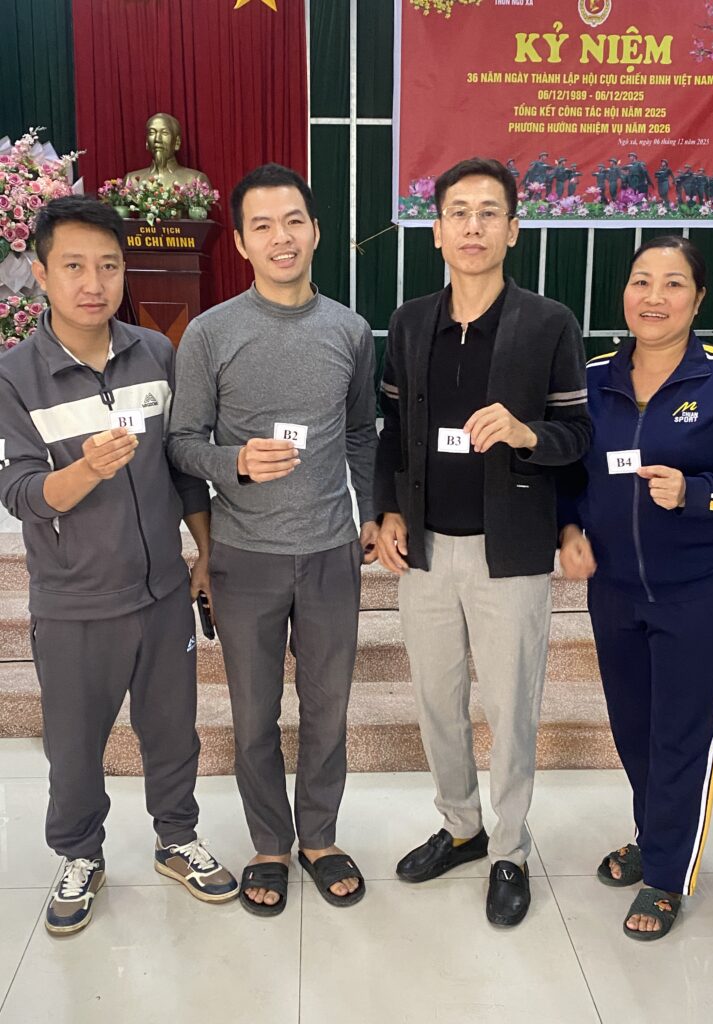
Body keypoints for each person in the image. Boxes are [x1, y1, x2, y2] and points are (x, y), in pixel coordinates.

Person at [0, 196, 238, 935]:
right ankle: (79, 854)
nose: (93, 283)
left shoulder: (156, 353)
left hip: (162, 591)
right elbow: (20, 493)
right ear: (42, 274)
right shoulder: (16, 375)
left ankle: (177, 838)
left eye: (108, 266)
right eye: (73, 266)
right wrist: (86, 471)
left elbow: (182, 466)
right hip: (75, 602)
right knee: (74, 746)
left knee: (173, 731)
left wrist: (204, 551)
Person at [375, 157, 591, 927]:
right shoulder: (409, 321)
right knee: (437, 702)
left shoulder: (548, 322)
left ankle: (509, 848)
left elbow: (578, 435)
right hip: (426, 551)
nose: (473, 226)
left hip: (512, 554)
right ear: (436, 231)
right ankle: (461, 826)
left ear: (513, 229)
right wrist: (387, 511)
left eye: (488, 212)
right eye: (458, 213)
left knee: (510, 707)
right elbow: (392, 431)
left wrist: (528, 433)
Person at [167, 163, 378, 917]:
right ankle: (268, 843)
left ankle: (318, 836)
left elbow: (361, 432)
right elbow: (181, 443)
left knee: (327, 707)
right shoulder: (210, 333)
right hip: (245, 555)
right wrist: (235, 464)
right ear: (241, 242)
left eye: (293, 221)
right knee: (254, 713)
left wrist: (370, 513)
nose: (280, 237)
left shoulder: (350, 330)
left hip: (329, 552)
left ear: (316, 231)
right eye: (262, 225)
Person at [558, 236, 713, 940]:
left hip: (701, 588)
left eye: (673, 283)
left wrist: (697, 493)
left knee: (684, 734)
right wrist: (568, 530)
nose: (654, 297)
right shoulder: (593, 379)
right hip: (614, 588)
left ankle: (668, 874)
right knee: (635, 729)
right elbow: (570, 475)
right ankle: (654, 836)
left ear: (699, 298)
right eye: (641, 281)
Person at [125, 112, 210, 187]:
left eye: (165, 133)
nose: (157, 139)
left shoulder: (195, 180)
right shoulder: (131, 181)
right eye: (152, 133)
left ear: (177, 142)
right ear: (147, 142)